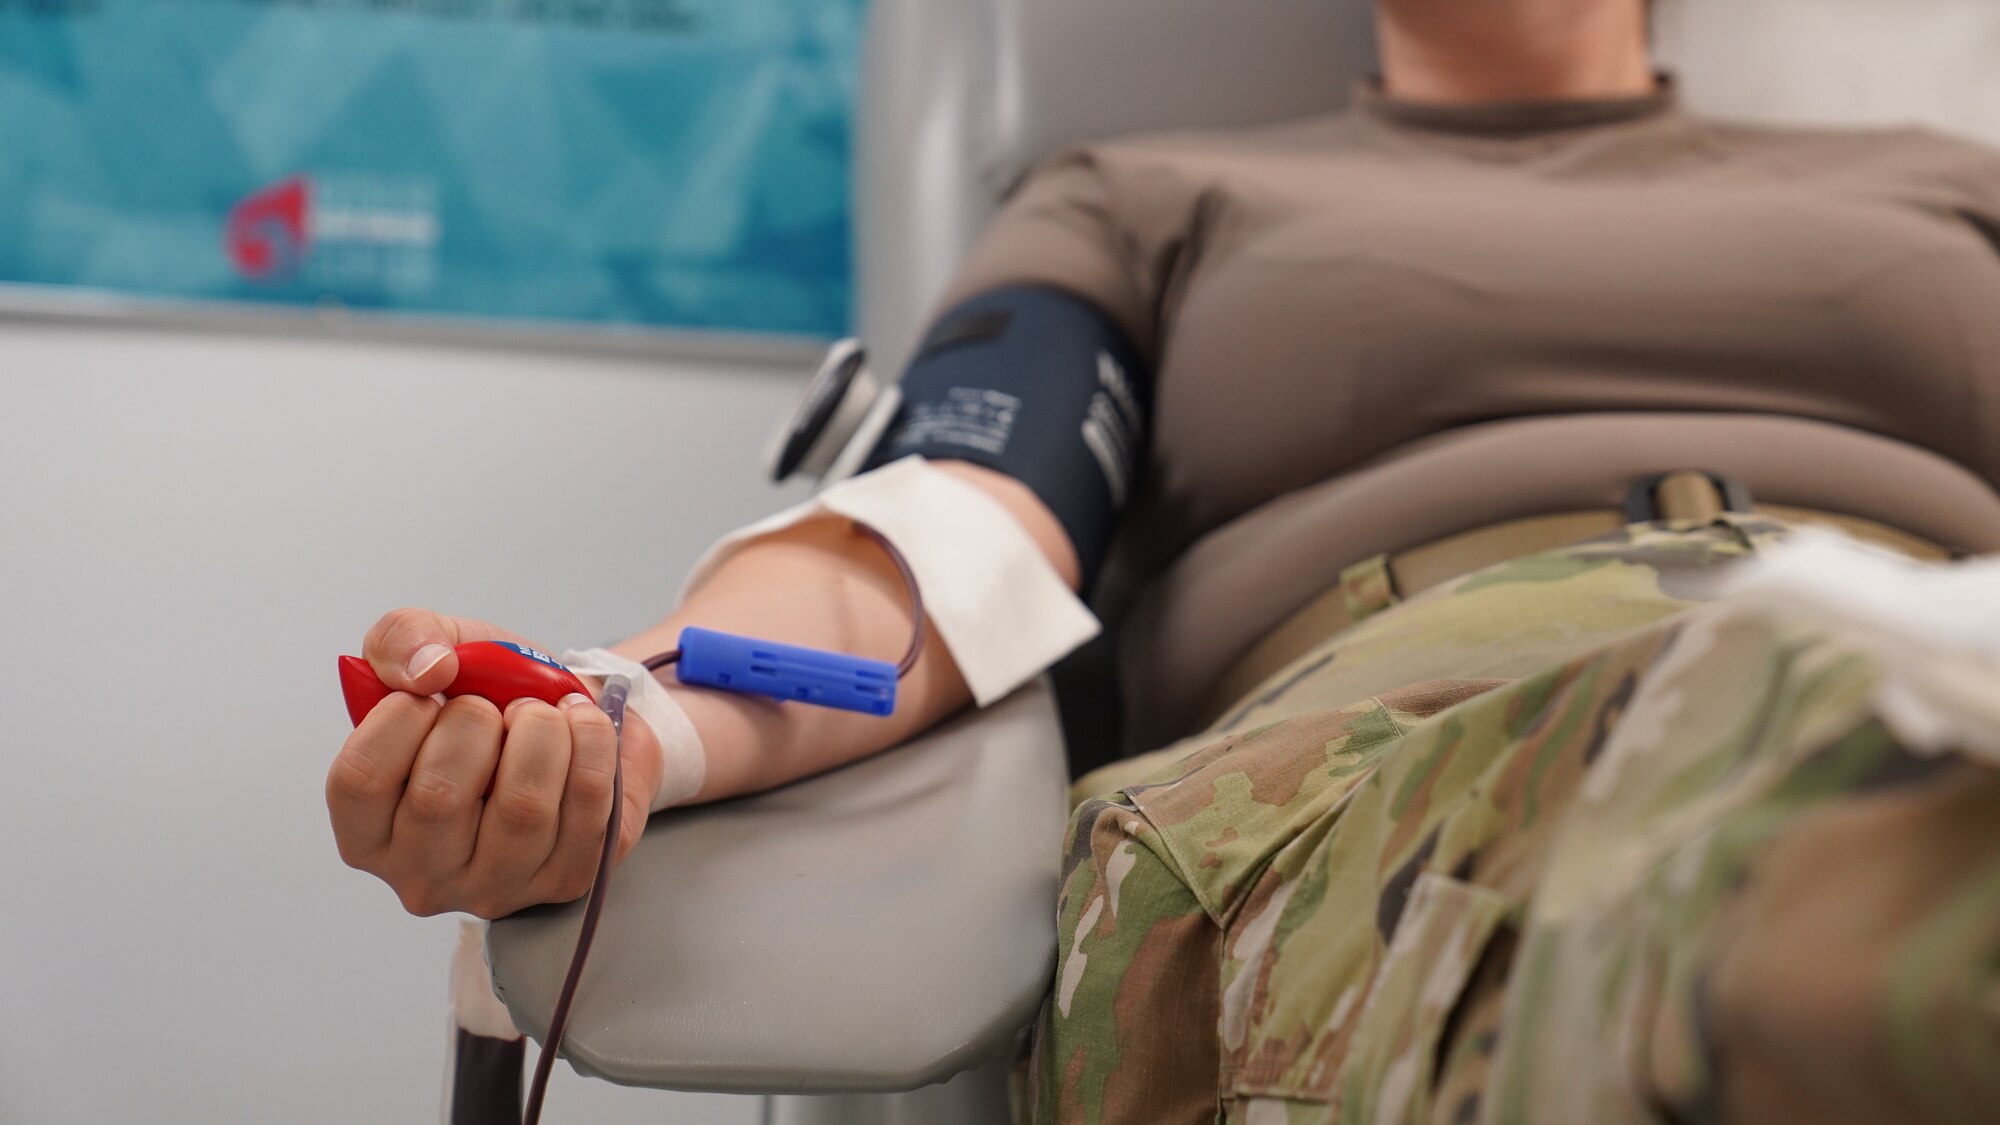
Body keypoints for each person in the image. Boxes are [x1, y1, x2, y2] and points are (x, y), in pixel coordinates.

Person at [328, 0, 2000, 1120]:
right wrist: (632, 714)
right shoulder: (1150, 197)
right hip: (1419, 749)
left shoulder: (1945, 189)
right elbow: (946, 525)